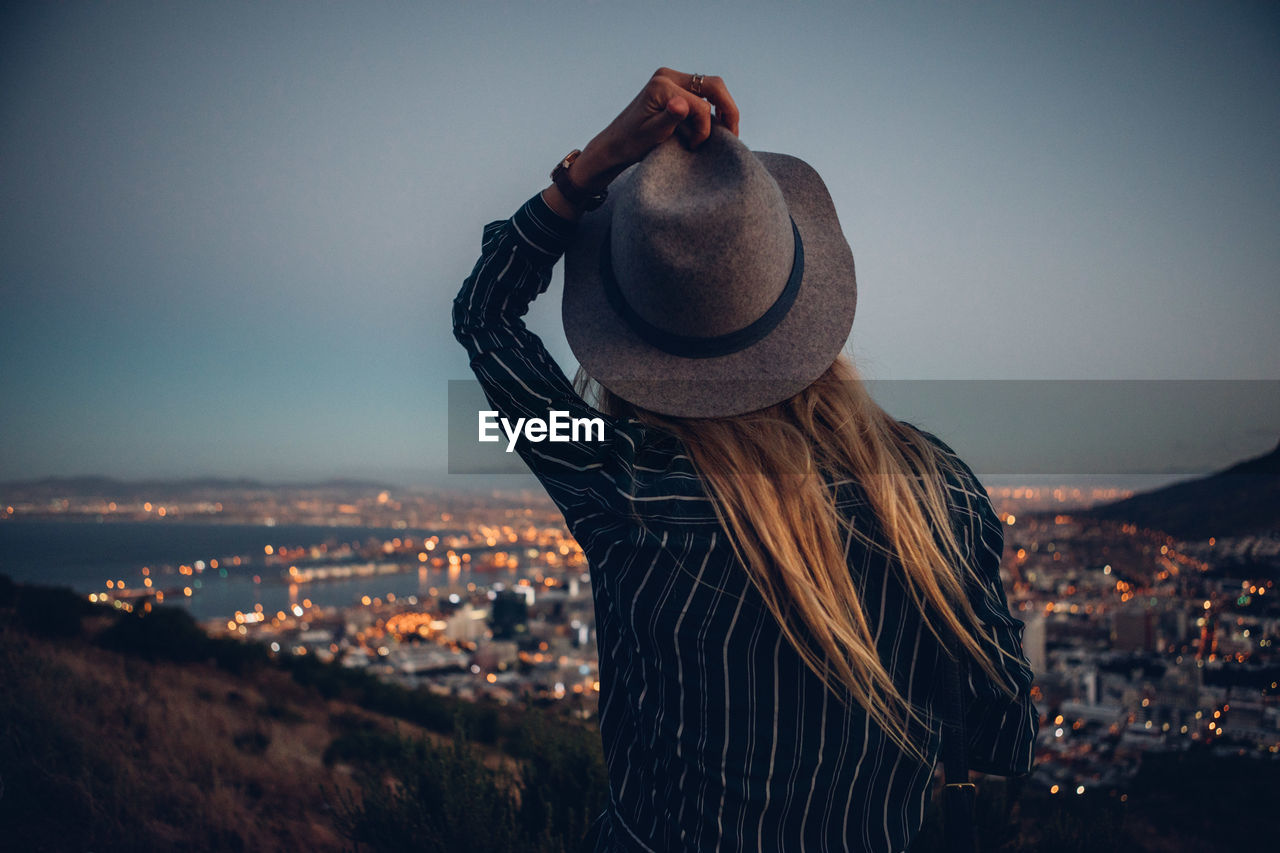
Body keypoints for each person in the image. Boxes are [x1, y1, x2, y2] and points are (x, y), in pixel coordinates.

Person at [453, 68, 1038, 853]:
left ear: (630, 341)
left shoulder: (624, 481)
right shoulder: (939, 491)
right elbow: (1005, 726)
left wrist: (587, 169)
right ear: (799, 303)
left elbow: (486, 316)